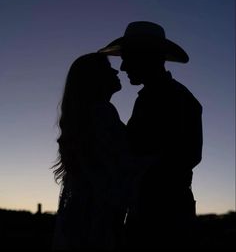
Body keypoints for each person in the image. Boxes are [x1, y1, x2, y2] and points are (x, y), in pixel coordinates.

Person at [98, 21, 203, 249]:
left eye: (127, 58)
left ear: (146, 56)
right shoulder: (151, 98)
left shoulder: (178, 99)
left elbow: (186, 156)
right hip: (153, 213)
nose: (123, 67)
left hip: (164, 219)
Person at [51, 53, 129, 250]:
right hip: (95, 220)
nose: (116, 70)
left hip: (82, 217)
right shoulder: (102, 112)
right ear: (94, 78)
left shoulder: (87, 115)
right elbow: (119, 169)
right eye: (107, 67)